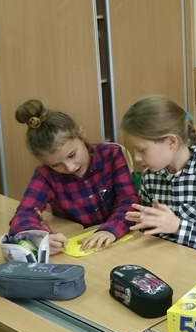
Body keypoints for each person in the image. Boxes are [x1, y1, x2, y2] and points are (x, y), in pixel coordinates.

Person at [121, 95, 196, 260]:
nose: (136, 158)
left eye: (142, 150)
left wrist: (178, 227)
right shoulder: (150, 175)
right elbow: (147, 228)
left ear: (171, 142)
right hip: (164, 260)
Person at [8, 99, 137, 253]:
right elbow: (23, 215)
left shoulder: (111, 154)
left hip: (120, 240)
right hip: (78, 246)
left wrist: (110, 230)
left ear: (81, 134)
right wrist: (40, 238)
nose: (70, 167)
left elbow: (129, 200)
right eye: (55, 165)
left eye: (72, 155)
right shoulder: (45, 175)